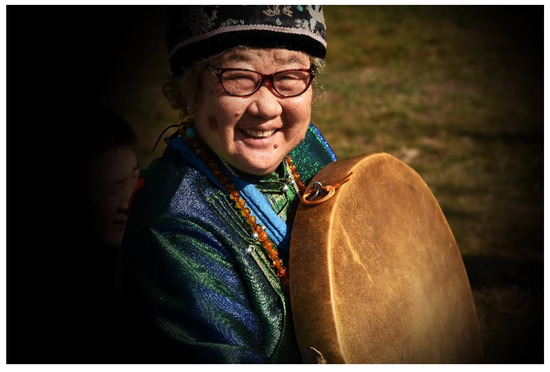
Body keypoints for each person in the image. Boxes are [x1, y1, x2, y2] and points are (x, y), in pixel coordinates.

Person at [115, 5, 336, 363]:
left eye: (290, 76)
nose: (266, 108)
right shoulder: (174, 229)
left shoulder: (305, 145)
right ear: (190, 89)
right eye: (239, 76)